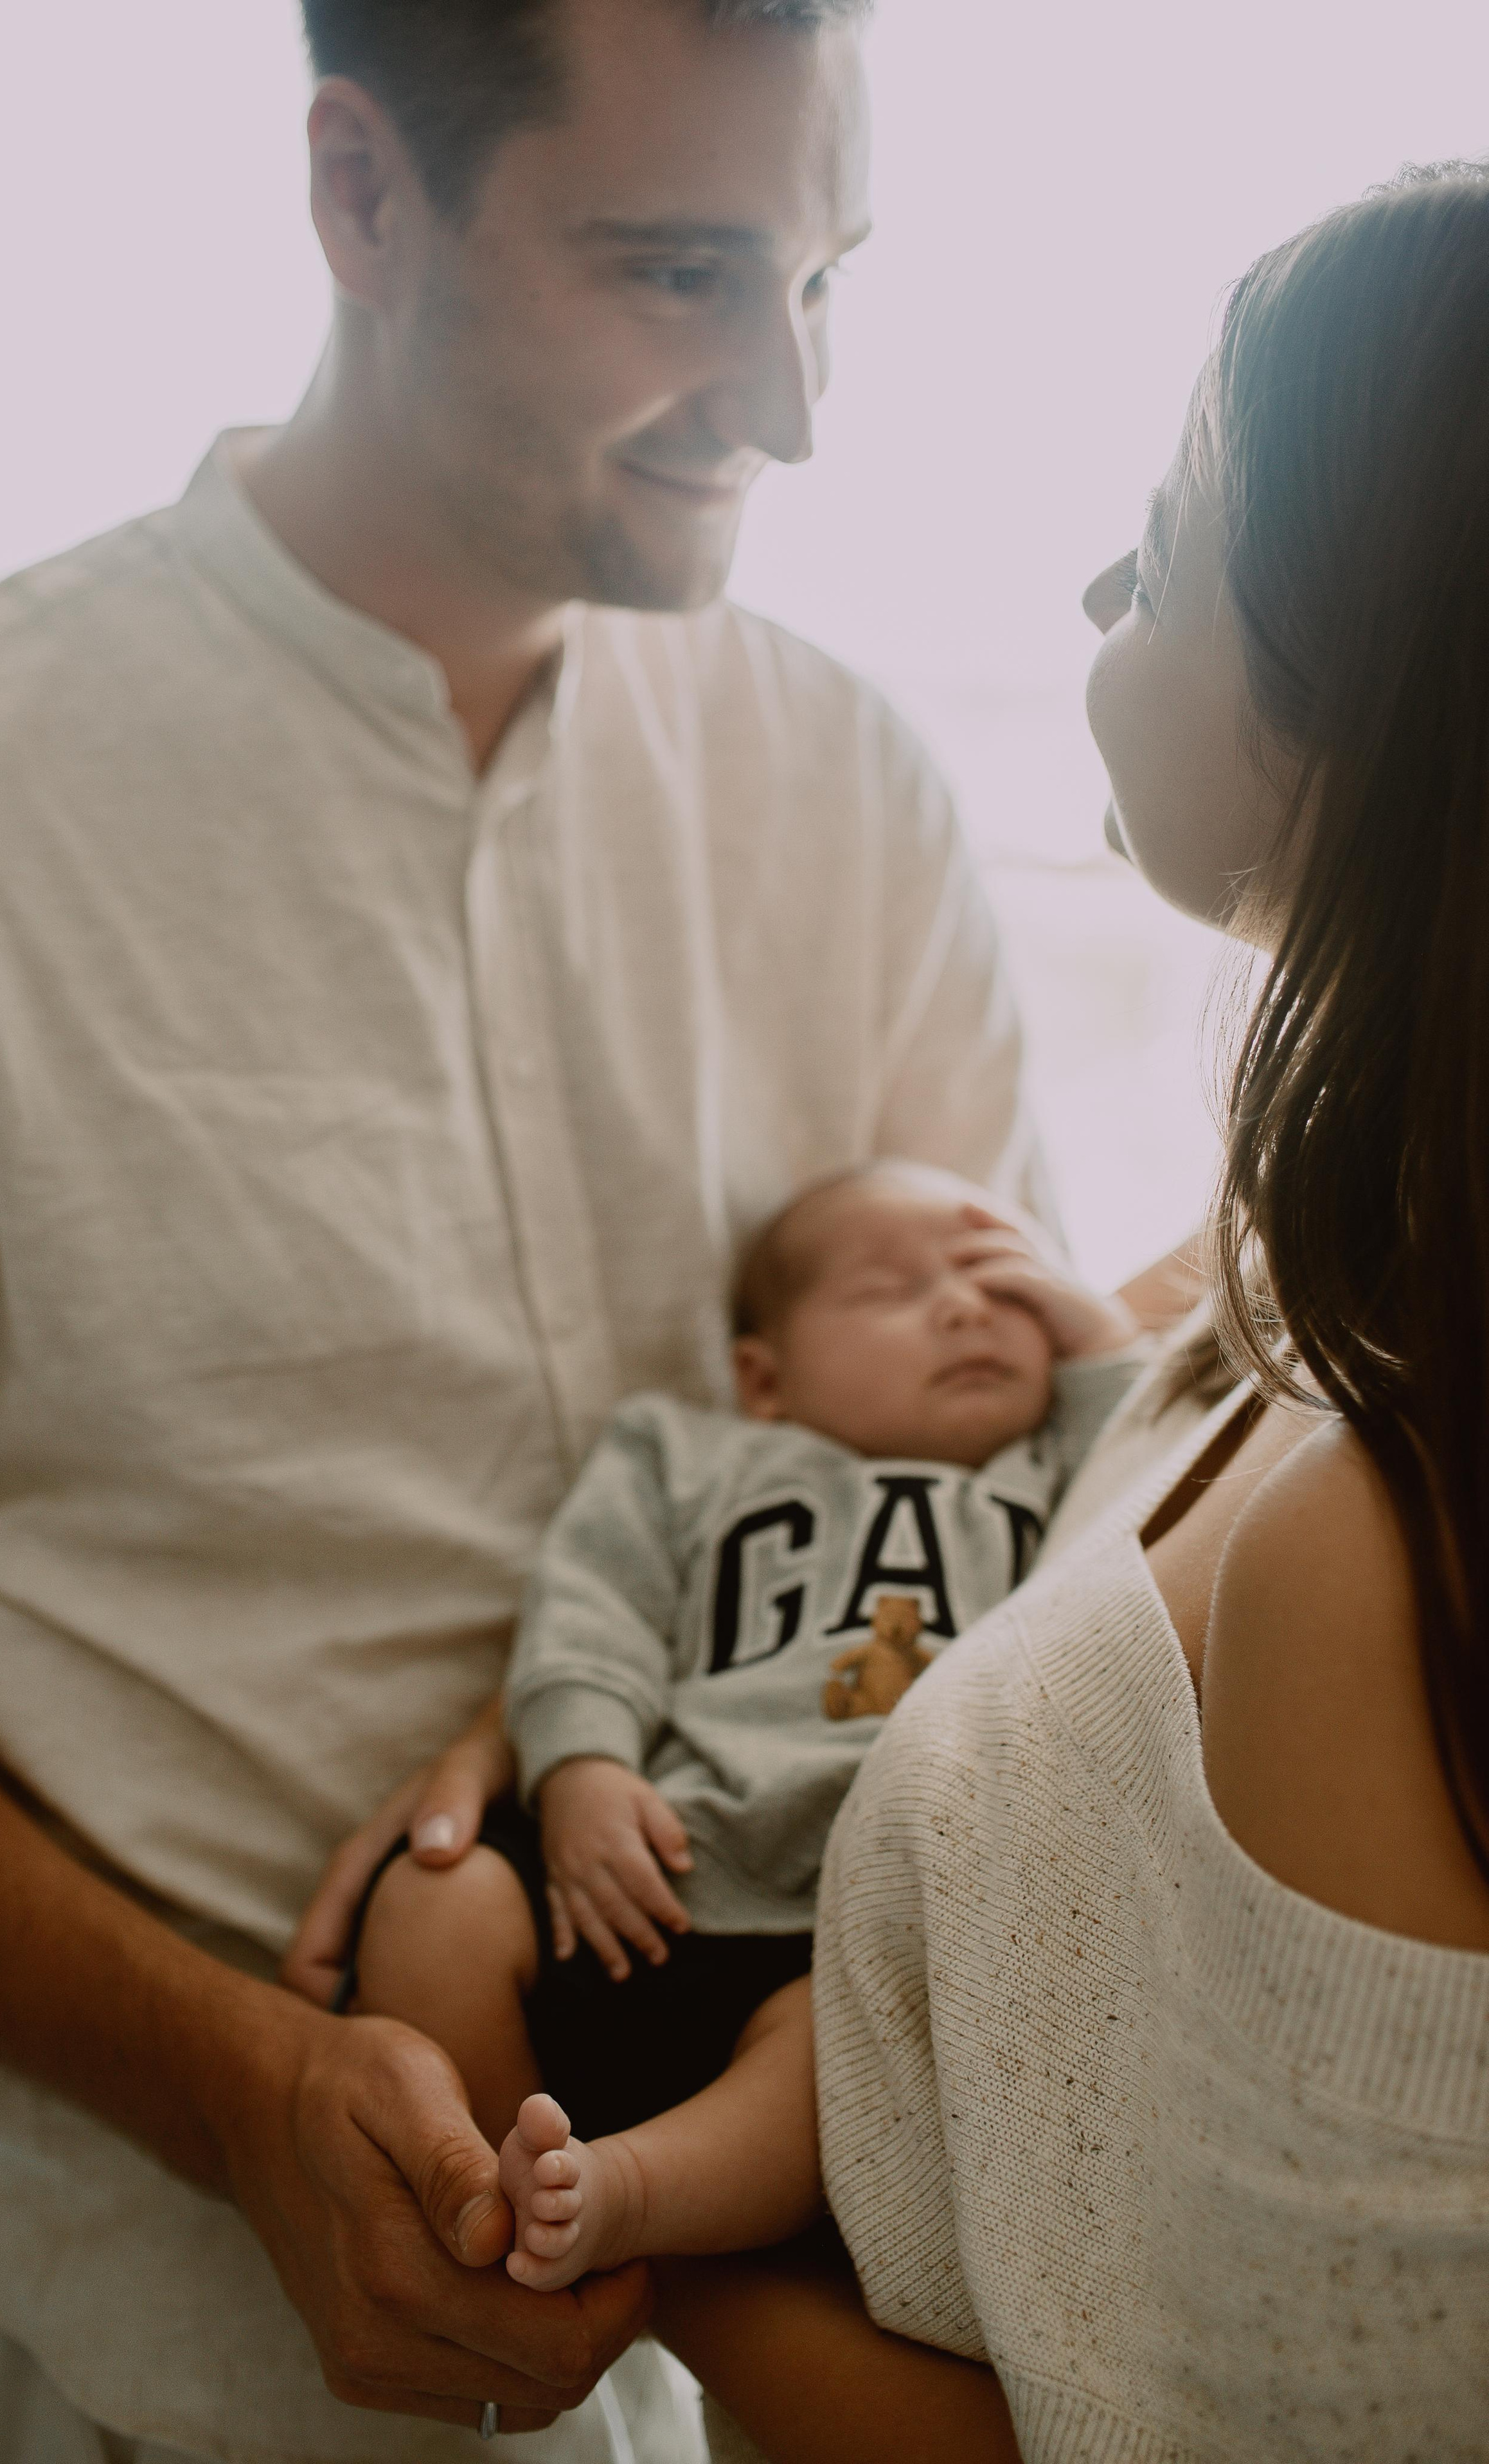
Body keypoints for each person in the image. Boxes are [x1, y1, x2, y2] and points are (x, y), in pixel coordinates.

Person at [0, 3, 1075, 2459]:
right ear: (362, 195)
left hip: (804, 2362)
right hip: (177, 2374)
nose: (797, 406)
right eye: (680, 274)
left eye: (826, 278)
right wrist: (231, 2087)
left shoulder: (856, 788)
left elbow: (1028, 1513)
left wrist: (569, 1684)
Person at [618, 162, 1489, 2464]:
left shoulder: (1372, 1541)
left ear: (1366, 676)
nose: (1097, 590)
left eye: (1166, 536)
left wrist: (673, 2245)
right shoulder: (1307, 1280)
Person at [303, 1162, 1142, 2226]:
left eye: (1004, 1281)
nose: (967, 1304)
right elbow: (593, 1606)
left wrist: (1100, 1326)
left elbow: (1161, 1465)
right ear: (765, 1377)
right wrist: (581, 1763)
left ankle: (621, 2196)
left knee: (836, 2064)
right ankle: (488, 2178)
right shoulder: (688, 1457)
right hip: (641, 1870)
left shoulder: (1045, 1476)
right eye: (891, 1289)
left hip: (843, 1929)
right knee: (434, 1905)